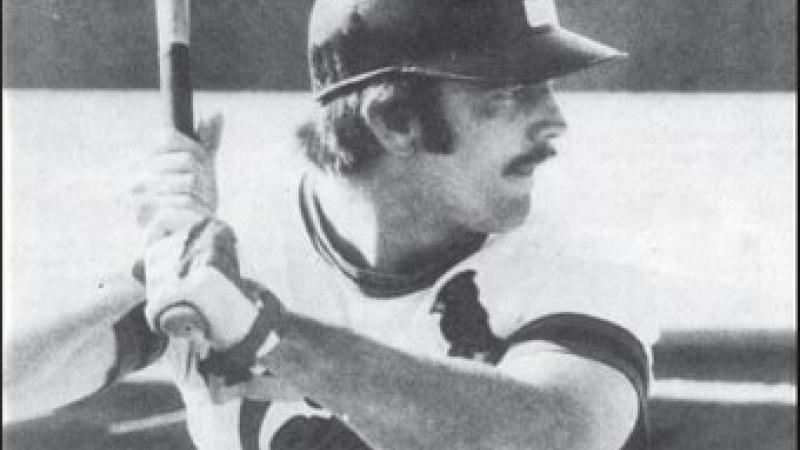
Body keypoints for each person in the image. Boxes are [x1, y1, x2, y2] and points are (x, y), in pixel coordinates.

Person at [4, 0, 658, 448]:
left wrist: (265, 332)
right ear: (394, 122)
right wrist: (150, 267)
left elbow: (557, 434)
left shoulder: (582, 270)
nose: (555, 123)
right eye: (508, 94)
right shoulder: (237, 250)